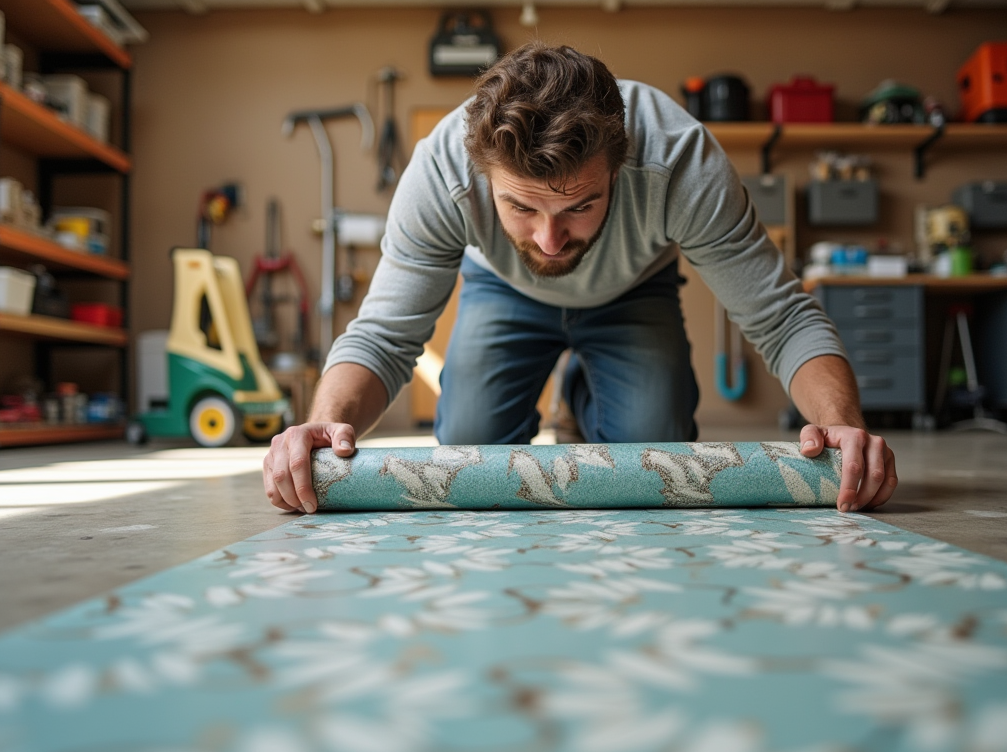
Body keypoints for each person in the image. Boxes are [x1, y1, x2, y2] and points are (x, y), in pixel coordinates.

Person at [264, 42, 897, 515]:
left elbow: (783, 318)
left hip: (633, 289)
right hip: (501, 289)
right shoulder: (441, 173)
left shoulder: (679, 160)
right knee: (468, 452)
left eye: (578, 206)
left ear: (619, 168)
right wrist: (322, 426)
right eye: (521, 207)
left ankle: (581, 393)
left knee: (655, 456)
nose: (549, 239)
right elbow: (383, 336)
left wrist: (843, 425)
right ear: (484, 177)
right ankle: (572, 374)